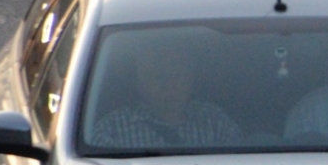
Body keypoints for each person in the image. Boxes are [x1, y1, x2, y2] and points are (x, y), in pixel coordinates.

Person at [93, 33, 243, 150]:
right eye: (159, 77)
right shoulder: (111, 131)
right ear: (140, 83)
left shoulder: (216, 123)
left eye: (177, 76)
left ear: (191, 80)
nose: (169, 86)